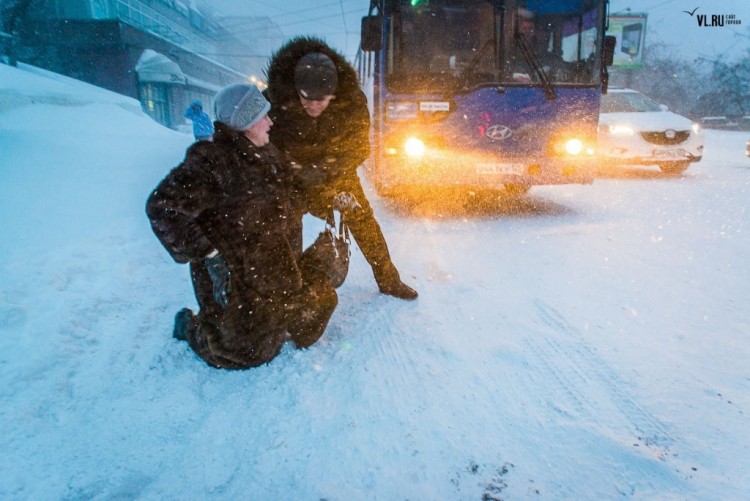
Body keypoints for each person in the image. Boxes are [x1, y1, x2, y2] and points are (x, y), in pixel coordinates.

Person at [146, 83, 337, 370]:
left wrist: (328, 201)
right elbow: (162, 208)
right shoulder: (212, 162)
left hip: (278, 273)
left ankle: (299, 285)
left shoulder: (267, 153)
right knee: (247, 353)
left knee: (312, 319)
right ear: (244, 122)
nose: (271, 122)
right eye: (263, 116)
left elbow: (291, 196)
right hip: (238, 281)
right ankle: (189, 326)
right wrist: (209, 254)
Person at [265, 36, 418, 300]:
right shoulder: (274, 101)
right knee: (285, 221)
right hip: (292, 177)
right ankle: (288, 287)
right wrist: (299, 171)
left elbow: (359, 147)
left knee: (363, 219)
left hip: (336, 173)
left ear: (333, 95)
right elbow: (265, 146)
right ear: (295, 90)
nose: (313, 105)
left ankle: (389, 279)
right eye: (306, 99)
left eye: (321, 100)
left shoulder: (352, 103)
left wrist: (328, 173)